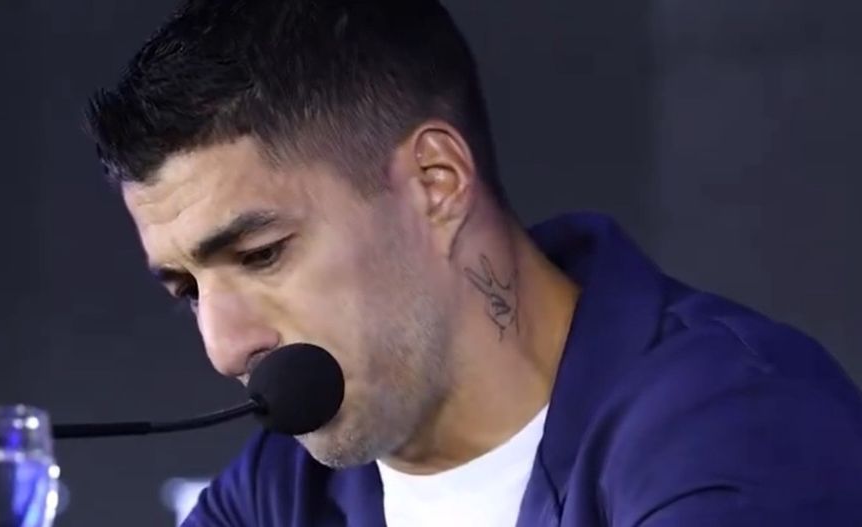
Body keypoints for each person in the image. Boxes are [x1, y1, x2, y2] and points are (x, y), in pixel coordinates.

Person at [85, 0, 862, 525]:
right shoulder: (281, 489)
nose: (224, 347)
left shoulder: (736, 434)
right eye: (187, 289)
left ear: (436, 183)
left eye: (262, 254)